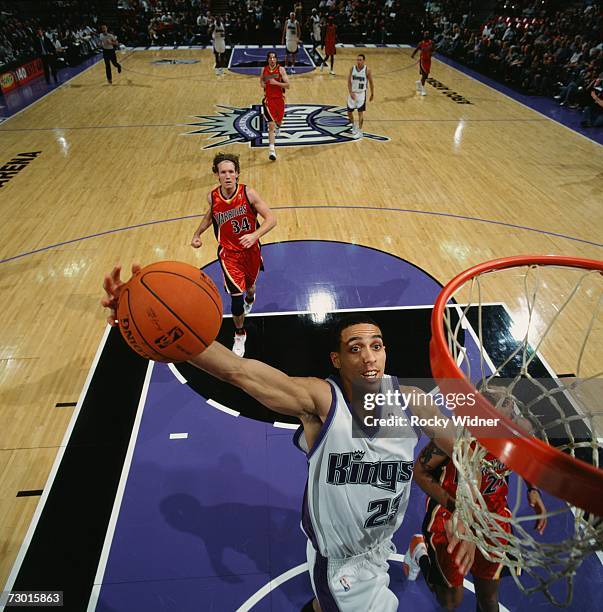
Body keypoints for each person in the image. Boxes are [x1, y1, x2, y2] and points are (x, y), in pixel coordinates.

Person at [101, 266, 477, 612]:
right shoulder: (321, 403)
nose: (369, 358)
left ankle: (417, 556)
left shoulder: (411, 400)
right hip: (341, 565)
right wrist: (167, 326)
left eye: (376, 346)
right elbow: (238, 371)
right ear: (336, 360)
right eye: (355, 348)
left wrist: (469, 514)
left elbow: (467, 455)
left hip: (379, 547)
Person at [406, 388, 547, 612]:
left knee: (489, 601)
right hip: (450, 516)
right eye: (502, 408)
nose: (510, 414)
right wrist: (459, 507)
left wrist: (533, 488)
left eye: (511, 408)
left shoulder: (516, 432)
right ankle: (420, 553)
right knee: (450, 602)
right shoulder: (455, 435)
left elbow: (525, 457)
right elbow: (421, 472)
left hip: (493, 518)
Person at [190, 152, 276, 356]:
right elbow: (210, 217)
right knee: (235, 299)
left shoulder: (249, 193)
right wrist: (197, 233)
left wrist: (255, 235)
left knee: (250, 288)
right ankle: (239, 333)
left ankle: (251, 297)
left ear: (237, 174)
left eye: (231, 171)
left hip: (251, 251)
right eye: (223, 172)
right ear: (216, 175)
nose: (227, 175)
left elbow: (271, 219)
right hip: (228, 255)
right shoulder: (212, 196)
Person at [260, 51, 289, 161]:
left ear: (276, 59)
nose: (272, 59)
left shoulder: (281, 70)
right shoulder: (264, 70)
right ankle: (272, 151)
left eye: (274, 58)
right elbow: (261, 82)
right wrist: (266, 85)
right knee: (271, 126)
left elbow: (288, 85)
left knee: (278, 122)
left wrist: (276, 83)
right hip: (268, 101)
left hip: (280, 100)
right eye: (270, 58)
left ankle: (278, 127)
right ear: (268, 59)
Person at [347, 54, 374, 138]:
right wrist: (351, 92)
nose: (358, 61)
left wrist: (372, 93)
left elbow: (371, 83)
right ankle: (353, 125)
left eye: (360, 60)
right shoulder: (352, 68)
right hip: (353, 93)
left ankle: (360, 131)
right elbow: (349, 82)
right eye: (357, 60)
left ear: (363, 61)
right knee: (349, 112)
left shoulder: (367, 70)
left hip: (361, 93)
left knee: (360, 113)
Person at [411, 31, 434, 96]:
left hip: (428, 61)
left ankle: (419, 83)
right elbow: (416, 49)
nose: (426, 35)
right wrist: (413, 55)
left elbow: (434, 50)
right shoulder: (421, 43)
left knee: (426, 76)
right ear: (423, 35)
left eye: (427, 34)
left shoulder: (431, 43)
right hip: (422, 61)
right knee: (424, 75)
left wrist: (431, 54)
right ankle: (422, 89)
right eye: (425, 34)